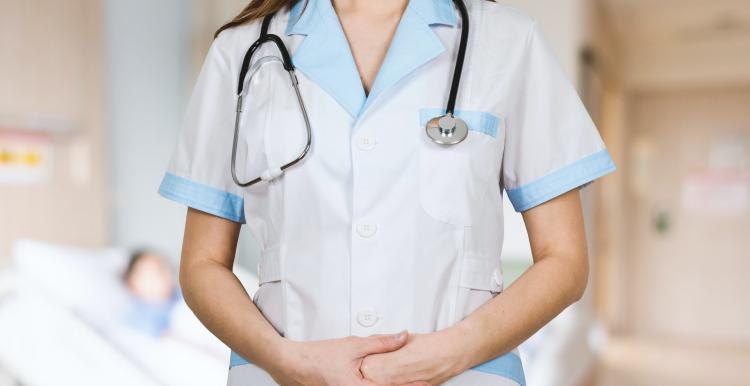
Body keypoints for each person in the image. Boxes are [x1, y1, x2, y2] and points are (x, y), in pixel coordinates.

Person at [158, 0, 617, 385]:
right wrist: (285, 360)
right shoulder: (242, 51)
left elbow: (565, 262)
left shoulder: (508, 43)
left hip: (464, 374)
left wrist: (452, 353)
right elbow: (202, 266)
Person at [121, 249, 181, 337]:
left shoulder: (181, 295)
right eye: (151, 272)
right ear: (131, 283)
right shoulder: (140, 318)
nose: (161, 275)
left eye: (163, 268)